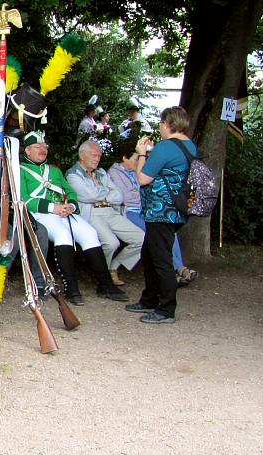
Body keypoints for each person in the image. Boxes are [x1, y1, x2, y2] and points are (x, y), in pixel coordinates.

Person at [19, 130, 128, 305]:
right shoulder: (20, 170)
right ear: (27, 151)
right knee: (63, 235)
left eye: (44, 145)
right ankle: (71, 287)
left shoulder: (54, 171)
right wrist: (54, 208)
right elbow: (24, 198)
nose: (43, 149)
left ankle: (106, 284)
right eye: (37, 146)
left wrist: (70, 205)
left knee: (90, 233)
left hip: (65, 212)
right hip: (41, 214)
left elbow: (69, 191)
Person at [125, 106, 192, 324]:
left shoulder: (166, 147)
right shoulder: (189, 145)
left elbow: (143, 178)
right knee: (149, 254)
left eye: (161, 124)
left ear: (167, 124)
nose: (160, 128)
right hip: (174, 210)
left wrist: (142, 154)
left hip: (161, 211)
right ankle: (149, 299)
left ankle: (166, 309)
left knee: (161, 260)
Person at [107, 140, 199, 287]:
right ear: (124, 158)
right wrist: (142, 192)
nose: (139, 161)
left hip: (147, 208)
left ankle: (178, 270)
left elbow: (149, 189)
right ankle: (179, 270)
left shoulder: (136, 171)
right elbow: (125, 197)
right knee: (155, 234)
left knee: (169, 232)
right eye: (136, 158)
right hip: (130, 211)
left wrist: (140, 192)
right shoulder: (114, 173)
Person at [66, 141, 144, 286]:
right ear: (82, 156)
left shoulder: (101, 173)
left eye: (99, 156)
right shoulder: (73, 174)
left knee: (141, 238)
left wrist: (100, 193)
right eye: (94, 155)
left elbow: (119, 196)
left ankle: (113, 267)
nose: (97, 159)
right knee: (111, 242)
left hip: (110, 211)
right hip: (92, 213)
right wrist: (106, 191)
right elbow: (88, 196)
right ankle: (102, 275)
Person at [0, 170, 51, 297]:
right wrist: (1, 186)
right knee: (11, 237)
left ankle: (38, 283)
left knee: (41, 231)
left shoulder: (10, 173)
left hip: (9, 216)